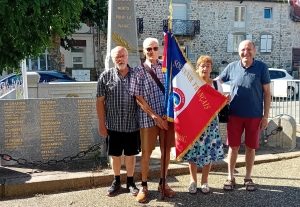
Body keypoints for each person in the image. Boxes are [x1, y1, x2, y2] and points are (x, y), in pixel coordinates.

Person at [217, 40, 271, 191]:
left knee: (250, 148)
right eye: (242, 49)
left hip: (254, 116)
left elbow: (267, 94)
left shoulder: (261, 67)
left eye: (249, 49)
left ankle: (247, 177)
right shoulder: (232, 67)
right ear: (238, 51)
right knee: (233, 147)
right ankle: (230, 177)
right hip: (234, 115)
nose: (245, 52)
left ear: (254, 51)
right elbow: (216, 83)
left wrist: (265, 116)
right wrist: (200, 83)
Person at [129, 37, 175, 203]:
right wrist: (154, 116)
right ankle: (144, 185)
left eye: (155, 48)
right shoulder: (138, 71)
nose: (152, 51)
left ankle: (163, 183)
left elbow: (173, 90)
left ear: (160, 50)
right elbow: (138, 97)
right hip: (148, 119)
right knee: (147, 153)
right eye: (148, 49)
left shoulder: (166, 68)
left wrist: (167, 113)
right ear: (144, 51)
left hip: (166, 118)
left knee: (166, 151)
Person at [182, 55, 230, 194]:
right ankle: (193, 181)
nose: (205, 68)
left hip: (210, 126)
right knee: (193, 153)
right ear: (197, 68)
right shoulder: (192, 83)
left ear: (211, 68)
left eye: (208, 66)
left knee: (209, 153)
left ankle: (204, 181)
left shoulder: (216, 85)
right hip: (194, 124)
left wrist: (225, 101)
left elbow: (219, 105)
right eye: (202, 65)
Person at [96, 46, 140, 197]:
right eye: (117, 57)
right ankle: (116, 181)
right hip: (113, 125)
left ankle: (130, 181)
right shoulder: (105, 76)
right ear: (113, 59)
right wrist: (102, 124)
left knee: (130, 155)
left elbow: (142, 99)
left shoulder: (137, 75)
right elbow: (100, 101)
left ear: (127, 56)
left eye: (122, 55)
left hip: (132, 124)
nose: (120, 59)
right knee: (115, 155)